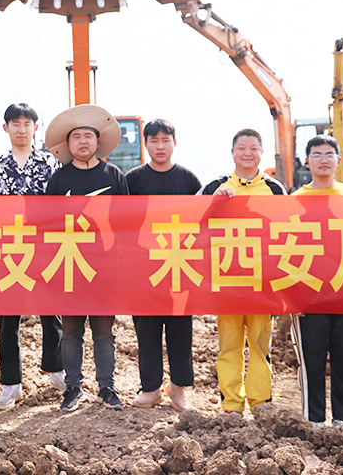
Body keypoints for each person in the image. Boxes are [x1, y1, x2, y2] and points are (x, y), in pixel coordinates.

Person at [43, 105, 129, 412]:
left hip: (105, 268)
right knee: (71, 332)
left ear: (98, 141)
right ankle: (73, 387)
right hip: (70, 267)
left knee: (104, 332)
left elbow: (127, 223)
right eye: (76, 136)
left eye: (88, 136)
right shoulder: (58, 180)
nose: (82, 141)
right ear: (68, 144)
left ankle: (107, 387)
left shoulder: (114, 176)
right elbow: (47, 224)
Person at [198, 128, 287, 417]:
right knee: (229, 346)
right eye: (242, 148)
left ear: (262, 153)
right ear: (232, 152)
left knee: (261, 346)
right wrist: (213, 203)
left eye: (253, 148)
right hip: (227, 280)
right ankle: (231, 406)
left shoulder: (275, 189)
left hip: (263, 282)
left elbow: (289, 230)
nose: (247, 153)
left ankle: (261, 405)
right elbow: (190, 220)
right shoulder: (215, 186)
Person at [0, 103, 65, 410]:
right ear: (6, 128)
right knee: (8, 318)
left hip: (44, 247)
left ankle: (57, 370)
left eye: (26, 123)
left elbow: (60, 205)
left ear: (35, 127)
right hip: (7, 247)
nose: (21, 129)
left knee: (51, 311)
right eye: (15, 124)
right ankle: (10, 383)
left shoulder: (50, 163)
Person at [125, 119, 201, 412]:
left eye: (165, 140)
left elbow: (202, 220)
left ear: (174, 143)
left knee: (180, 328)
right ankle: (151, 388)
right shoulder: (132, 180)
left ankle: (178, 388)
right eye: (154, 141)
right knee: (147, 328)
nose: (160, 146)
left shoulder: (188, 179)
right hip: (143, 267)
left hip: (179, 266)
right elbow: (118, 220)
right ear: (145, 144)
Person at [290, 134, 343, 427]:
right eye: (316, 154)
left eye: (329, 154)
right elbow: (284, 249)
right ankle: (314, 421)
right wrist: (291, 296)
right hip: (309, 294)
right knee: (312, 360)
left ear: (339, 160)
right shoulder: (295, 200)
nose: (323, 160)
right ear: (307, 161)